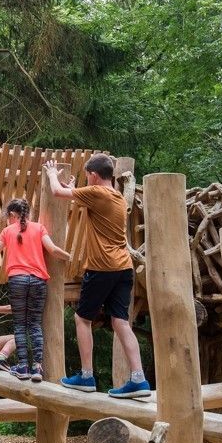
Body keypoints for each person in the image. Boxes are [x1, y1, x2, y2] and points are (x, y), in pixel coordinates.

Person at [44, 155, 152, 398]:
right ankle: (138, 379)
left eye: (87, 176)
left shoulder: (96, 193)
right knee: (121, 322)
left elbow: (56, 193)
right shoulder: (114, 196)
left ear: (93, 175)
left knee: (83, 319)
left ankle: (86, 375)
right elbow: (83, 199)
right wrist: (73, 188)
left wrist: (52, 175)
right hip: (123, 268)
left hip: (102, 267)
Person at [0, 198, 72, 381]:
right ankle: (38, 368)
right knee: (34, 324)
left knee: (19, 325)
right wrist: (69, 256)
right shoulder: (39, 228)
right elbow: (53, 250)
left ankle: (23, 367)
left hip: (17, 280)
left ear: (12, 215)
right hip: (38, 281)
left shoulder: (7, 231)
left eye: (7, 217)